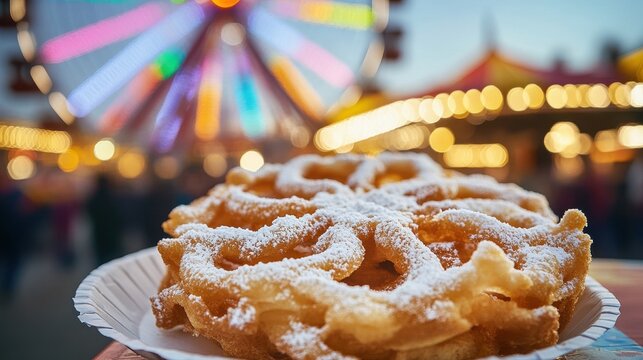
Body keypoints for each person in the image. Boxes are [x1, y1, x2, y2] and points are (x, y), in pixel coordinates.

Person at [87, 174, 123, 265]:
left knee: (101, 256)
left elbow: (89, 211)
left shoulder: (94, 197)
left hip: (99, 231)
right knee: (113, 256)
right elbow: (119, 214)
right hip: (112, 232)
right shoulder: (113, 196)